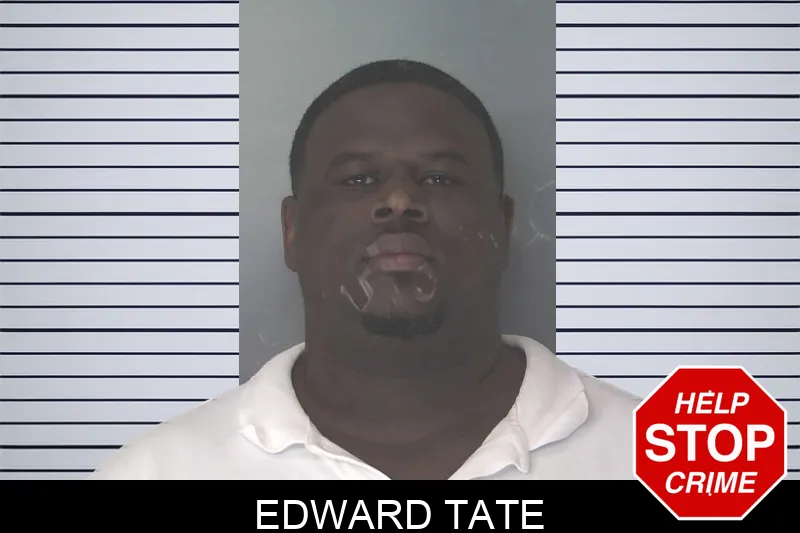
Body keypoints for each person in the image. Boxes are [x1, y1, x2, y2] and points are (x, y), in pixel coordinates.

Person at [90, 59, 639, 480]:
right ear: (291, 230)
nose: (399, 201)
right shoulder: (157, 472)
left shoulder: (662, 457)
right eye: (357, 179)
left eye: (441, 178)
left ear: (504, 223)